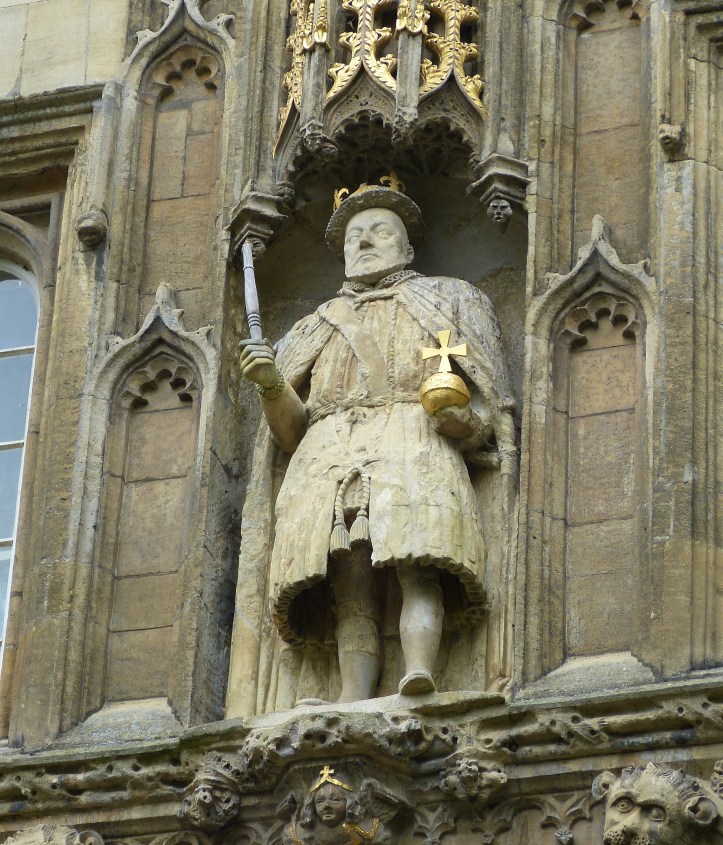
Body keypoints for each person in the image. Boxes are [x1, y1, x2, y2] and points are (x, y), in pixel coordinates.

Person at [231, 176, 511, 706]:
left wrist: (458, 420)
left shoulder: (448, 301)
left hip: (412, 438)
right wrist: (271, 383)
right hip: (328, 453)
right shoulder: (312, 327)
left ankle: (420, 672)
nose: (363, 241)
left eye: (379, 231)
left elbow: (487, 409)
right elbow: (288, 433)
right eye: (353, 235)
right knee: (349, 586)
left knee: (419, 563)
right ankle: (352, 696)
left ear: (407, 247)